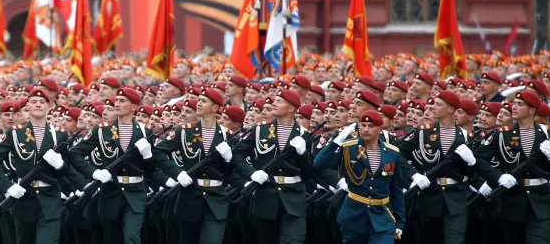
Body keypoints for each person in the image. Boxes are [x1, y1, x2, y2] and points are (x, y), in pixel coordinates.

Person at [474, 89, 550, 244]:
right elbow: (479, 159)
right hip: (512, 198)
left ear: (532, 110)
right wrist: (498, 177)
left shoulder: (547, 134)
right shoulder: (502, 134)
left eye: (520, 104)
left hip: (540, 198)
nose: (514, 107)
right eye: (515, 103)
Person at [0, 87, 76, 244]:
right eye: (33, 102)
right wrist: (7, 186)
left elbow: (68, 169)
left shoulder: (59, 134)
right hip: (24, 200)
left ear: (48, 106)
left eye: (42, 102)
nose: (38, 105)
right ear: (28, 107)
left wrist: (60, 165)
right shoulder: (15, 133)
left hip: (50, 199)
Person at [70, 86, 157, 244]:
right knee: (112, 239)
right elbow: (75, 153)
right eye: (116, 100)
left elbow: (150, 169)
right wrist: (94, 173)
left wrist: (148, 155)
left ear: (134, 107)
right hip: (110, 192)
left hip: (135, 193)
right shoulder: (102, 130)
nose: (117, 103)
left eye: (122, 101)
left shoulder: (145, 132)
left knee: (132, 237)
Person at [154, 87, 235, 244]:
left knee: (212, 240)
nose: (198, 104)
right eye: (199, 100)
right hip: (189, 197)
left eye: (203, 101)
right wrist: (177, 173)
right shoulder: (185, 131)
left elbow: (230, 171)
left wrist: (228, 159)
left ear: (215, 108)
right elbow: (158, 152)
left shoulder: (226, 135)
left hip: (215, 198)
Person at [232, 88, 314, 244]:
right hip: (266, 195)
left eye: (279, 101)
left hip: (293, 197)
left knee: (293, 240)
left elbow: (307, 173)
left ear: (291, 108)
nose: (274, 103)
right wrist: (251, 173)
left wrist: (303, 153)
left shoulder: (304, 134)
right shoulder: (260, 131)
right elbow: (237, 153)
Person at [313, 109, 406, 244]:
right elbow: (318, 165)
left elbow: (396, 189)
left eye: (370, 126)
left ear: (380, 129)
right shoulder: (348, 148)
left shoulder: (392, 153)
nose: (366, 129)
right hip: (354, 214)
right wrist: (336, 142)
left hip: (382, 215)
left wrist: (400, 222)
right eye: (363, 125)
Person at [396, 90, 477, 244]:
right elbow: (397, 153)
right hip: (430, 196)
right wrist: (414, 175)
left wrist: (472, 163)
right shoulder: (423, 132)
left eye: (438, 105)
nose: (433, 107)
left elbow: (473, 175)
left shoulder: (466, 137)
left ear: (450, 109)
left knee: (455, 240)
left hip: (455, 198)